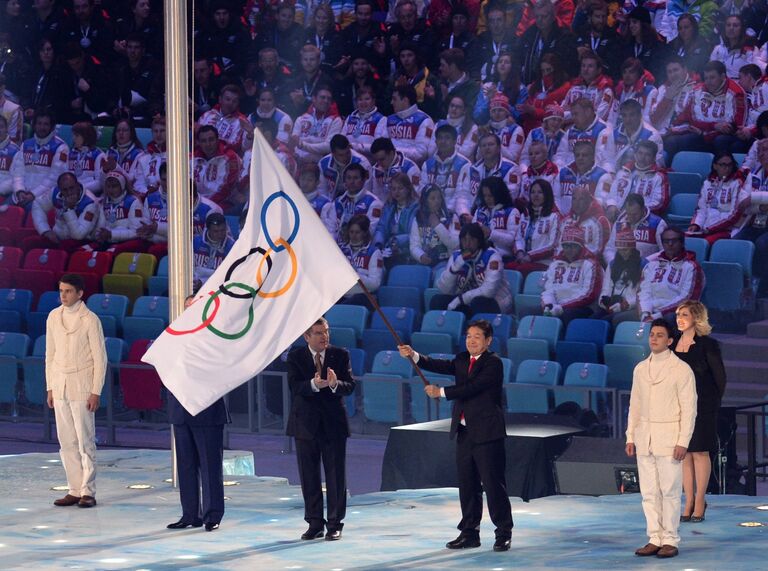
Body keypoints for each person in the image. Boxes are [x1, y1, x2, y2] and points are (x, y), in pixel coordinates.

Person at [397, 319, 513, 552]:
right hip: (464, 431)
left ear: (488, 341)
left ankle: (503, 532)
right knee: (467, 484)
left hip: (487, 433)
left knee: (493, 484)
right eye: (469, 336)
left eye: (477, 336)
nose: (471, 340)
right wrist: (414, 356)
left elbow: (473, 387)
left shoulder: (493, 364)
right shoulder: (462, 359)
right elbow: (440, 365)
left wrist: (440, 392)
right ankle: (470, 532)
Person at [626, 318, 697, 560]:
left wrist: (683, 441)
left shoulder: (681, 370)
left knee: (669, 491)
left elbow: (689, 409)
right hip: (644, 437)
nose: (654, 338)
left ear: (669, 340)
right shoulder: (640, 369)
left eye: (659, 335)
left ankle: (670, 539)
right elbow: (634, 405)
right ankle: (654, 537)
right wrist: (630, 436)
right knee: (648, 492)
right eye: (651, 334)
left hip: (669, 438)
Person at [286, 317, 356, 542]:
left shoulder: (340, 354)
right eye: (318, 333)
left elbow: (350, 386)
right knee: (309, 476)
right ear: (307, 336)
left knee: (336, 476)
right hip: (305, 425)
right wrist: (314, 384)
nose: (324, 336)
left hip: (333, 425)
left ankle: (335, 524)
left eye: (326, 331)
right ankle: (314, 523)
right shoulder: (296, 357)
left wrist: (335, 384)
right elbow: (294, 386)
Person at [167, 294, 230, 532]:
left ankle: (212, 514)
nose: (189, 313)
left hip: (207, 410)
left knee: (210, 464)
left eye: (194, 308)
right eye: (186, 309)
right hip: (180, 410)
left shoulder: (216, 337)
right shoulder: (173, 337)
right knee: (186, 465)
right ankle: (189, 514)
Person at [46, 273, 107, 509]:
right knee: (66, 441)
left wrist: (95, 391)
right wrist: (50, 387)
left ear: (80, 293)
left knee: (85, 440)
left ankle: (88, 491)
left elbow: (100, 359)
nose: (64, 295)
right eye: (61, 291)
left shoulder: (90, 319)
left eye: (68, 291)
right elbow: (49, 355)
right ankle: (73, 488)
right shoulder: (53, 317)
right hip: (60, 384)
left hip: (82, 385)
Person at [672, 300, 727, 524]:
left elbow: (720, 379)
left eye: (684, 314)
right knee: (684, 453)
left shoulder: (708, 345)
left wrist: (711, 404)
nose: (679, 319)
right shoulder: (672, 343)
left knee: (700, 452)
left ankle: (700, 500)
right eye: (677, 315)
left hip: (703, 405)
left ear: (696, 317)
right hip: (678, 406)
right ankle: (689, 501)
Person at [432, 222, 512, 314]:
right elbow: (444, 290)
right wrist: (454, 268)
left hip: (496, 301)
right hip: (466, 301)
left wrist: (460, 299)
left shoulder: (492, 256)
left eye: (472, 239)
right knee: (437, 300)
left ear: (479, 241)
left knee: (478, 303)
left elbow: (489, 291)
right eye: (464, 239)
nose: (467, 244)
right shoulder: (456, 256)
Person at [638, 227, 705, 323]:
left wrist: (658, 315)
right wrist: (645, 314)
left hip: (676, 313)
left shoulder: (692, 267)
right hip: (650, 311)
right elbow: (643, 292)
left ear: (682, 243)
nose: (670, 244)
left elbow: (688, 299)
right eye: (666, 241)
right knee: (618, 318)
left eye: (674, 241)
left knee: (669, 319)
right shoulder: (652, 265)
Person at [541, 225, 603, 325]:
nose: (569, 249)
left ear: (580, 246)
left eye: (573, 246)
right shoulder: (555, 264)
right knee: (532, 312)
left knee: (566, 315)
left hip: (582, 308)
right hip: (557, 306)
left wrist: (561, 307)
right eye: (566, 245)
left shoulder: (591, 264)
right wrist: (549, 305)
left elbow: (589, 295)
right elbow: (548, 289)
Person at [687, 151, 748, 244]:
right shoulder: (707, 183)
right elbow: (701, 209)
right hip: (706, 228)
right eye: (723, 165)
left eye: (729, 165)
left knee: (705, 242)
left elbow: (734, 214)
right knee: (684, 239)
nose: (727, 168)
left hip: (727, 230)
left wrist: (711, 229)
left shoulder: (737, 183)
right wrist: (696, 225)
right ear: (715, 166)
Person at [595, 229, 645, 327]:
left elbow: (643, 294)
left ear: (632, 249)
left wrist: (624, 305)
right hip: (612, 304)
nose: (623, 253)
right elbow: (606, 288)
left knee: (607, 321)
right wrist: (605, 303)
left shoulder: (644, 265)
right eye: (620, 250)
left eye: (626, 250)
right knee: (591, 320)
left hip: (632, 307)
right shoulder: (613, 264)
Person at [409, 184, 460, 269]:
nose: (437, 201)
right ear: (425, 201)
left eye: (439, 198)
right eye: (432, 198)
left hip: (445, 262)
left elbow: (455, 244)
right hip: (424, 262)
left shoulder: (451, 217)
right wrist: (420, 256)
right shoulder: (418, 219)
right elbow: (414, 245)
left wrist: (438, 226)